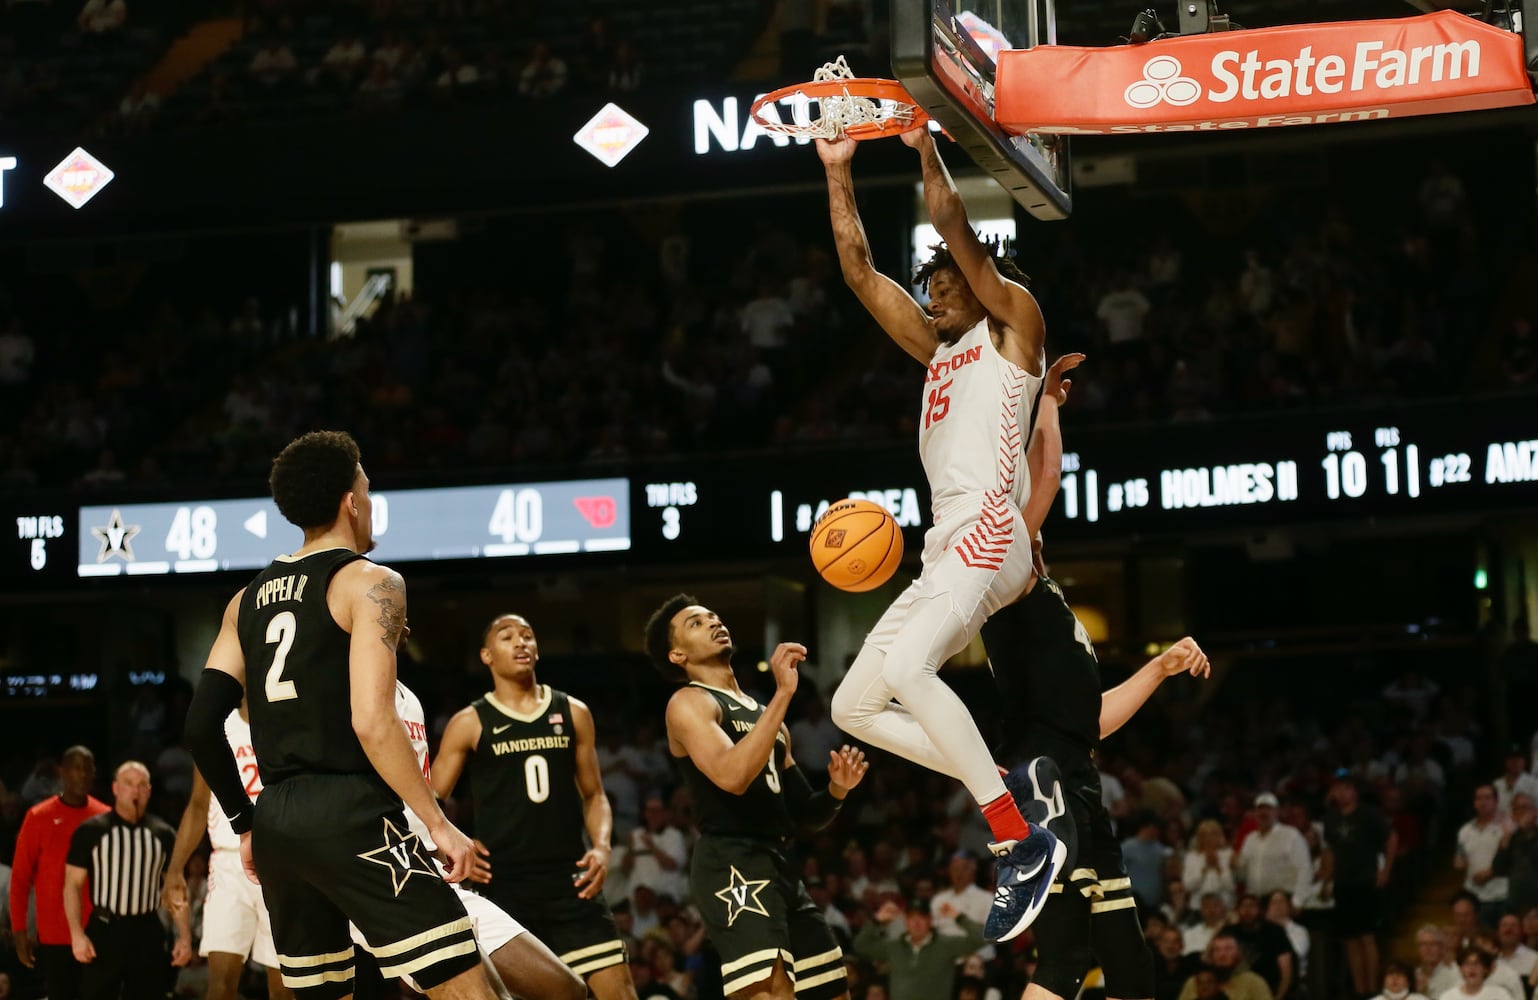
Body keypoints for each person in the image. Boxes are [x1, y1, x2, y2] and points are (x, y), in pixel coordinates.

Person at [816, 123, 1066, 941]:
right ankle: (998, 779)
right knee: (855, 704)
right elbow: (859, 273)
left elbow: (957, 229)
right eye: (929, 285)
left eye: (946, 283)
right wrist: (839, 170)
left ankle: (1016, 838)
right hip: (942, 547)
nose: (934, 292)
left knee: (915, 669)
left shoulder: (1014, 326)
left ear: (983, 284)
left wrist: (926, 152)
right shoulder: (937, 351)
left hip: (990, 525)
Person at [182, 430, 492, 1000]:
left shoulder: (243, 601)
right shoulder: (371, 581)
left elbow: (200, 728)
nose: (370, 505)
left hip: (276, 823)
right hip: (352, 814)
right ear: (351, 499)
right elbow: (372, 720)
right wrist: (440, 823)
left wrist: (246, 825)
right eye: (367, 490)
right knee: (472, 991)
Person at [646, 595, 867, 1000]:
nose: (713, 621)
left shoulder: (768, 718)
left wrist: (837, 789)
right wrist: (784, 694)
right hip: (732, 862)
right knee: (772, 992)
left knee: (833, 989)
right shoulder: (690, 702)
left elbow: (804, 814)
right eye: (696, 623)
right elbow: (732, 776)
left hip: (781, 862)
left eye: (714, 615)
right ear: (677, 654)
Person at [431, 613, 637, 1000]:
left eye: (527, 635)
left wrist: (604, 846)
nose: (521, 642)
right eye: (507, 637)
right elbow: (431, 800)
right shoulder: (470, 721)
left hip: (571, 881)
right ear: (486, 656)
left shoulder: (573, 711)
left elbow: (594, 794)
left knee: (621, 993)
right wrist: (457, 842)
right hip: (503, 884)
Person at [383, 679, 585, 1000]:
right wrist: (442, 827)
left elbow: (425, 792)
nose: (407, 624)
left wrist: (446, 835)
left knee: (567, 990)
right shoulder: (349, 684)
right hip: (386, 869)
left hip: (434, 869)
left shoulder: (407, 694)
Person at [163, 706, 293, 1000]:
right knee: (220, 984)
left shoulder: (284, 721)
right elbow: (198, 805)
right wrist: (175, 869)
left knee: (283, 989)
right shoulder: (215, 729)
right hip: (227, 861)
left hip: (279, 861)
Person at [63, 761, 190, 1000]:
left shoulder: (163, 834)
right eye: (129, 784)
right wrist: (77, 934)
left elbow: (176, 888)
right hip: (105, 929)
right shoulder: (91, 831)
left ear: (149, 791)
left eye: (142, 785)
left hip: (147, 930)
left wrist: (184, 935)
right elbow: (72, 884)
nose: (135, 790)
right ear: (115, 788)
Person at [9, 745, 109, 1000]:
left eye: (89, 768)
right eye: (77, 768)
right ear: (62, 772)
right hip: (54, 934)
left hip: (98, 931)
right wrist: (20, 931)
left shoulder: (106, 817)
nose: (84, 774)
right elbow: (20, 878)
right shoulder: (38, 816)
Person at [1325, 771, 1395, 998]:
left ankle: (1373, 988)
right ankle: (1359, 990)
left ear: (1354, 791)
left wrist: (1385, 870)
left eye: (1346, 788)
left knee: (1367, 936)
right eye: (1338, 788)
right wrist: (1327, 878)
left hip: (1365, 880)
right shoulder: (1331, 818)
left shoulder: (1369, 814)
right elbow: (1330, 850)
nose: (1341, 793)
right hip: (1342, 883)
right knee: (1350, 939)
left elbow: (1391, 838)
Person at [852, 899, 983, 1000]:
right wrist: (876, 921)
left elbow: (982, 938)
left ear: (930, 920)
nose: (916, 923)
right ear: (906, 921)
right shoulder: (893, 946)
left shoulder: (946, 944)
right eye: (912, 917)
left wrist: (959, 917)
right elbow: (860, 946)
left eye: (921, 917)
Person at [1235, 794, 1313, 903]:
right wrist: (1235, 865)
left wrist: (1298, 900)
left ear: (1277, 812)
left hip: (1281, 901)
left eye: (1268, 809)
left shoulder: (1291, 835)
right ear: (1255, 813)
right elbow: (1242, 875)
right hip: (1255, 901)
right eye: (1260, 809)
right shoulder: (1250, 839)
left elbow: (1304, 869)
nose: (1263, 813)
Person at [1456, 786, 1512, 928]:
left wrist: (1490, 873)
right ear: (1474, 803)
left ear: (1496, 801)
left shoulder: (1506, 827)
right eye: (1479, 798)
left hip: (1500, 894)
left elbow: (1512, 859)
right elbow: (1460, 859)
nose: (1483, 802)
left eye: (1488, 798)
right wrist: (1459, 862)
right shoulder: (1465, 830)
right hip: (1473, 895)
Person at [1181, 933, 1273, 1000]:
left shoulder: (1253, 982)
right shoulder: (1195, 982)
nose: (1222, 955)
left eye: (1228, 949)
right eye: (1217, 950)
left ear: (1238, 953)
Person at [1438, 946, 1505, 1000]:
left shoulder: (1499, 994)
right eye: (1467, 964)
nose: (1472, 968)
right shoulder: (1448, 997)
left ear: (1485, 969)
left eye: (1476, 963)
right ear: (1461, 969)